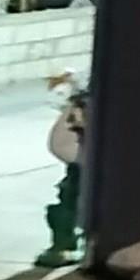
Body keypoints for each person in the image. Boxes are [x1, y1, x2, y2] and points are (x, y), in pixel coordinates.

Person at [40, 72, 88, 267]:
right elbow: (60, 145)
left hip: (86, 158)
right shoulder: (81, 105)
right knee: (69, 198)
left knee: (71, 199)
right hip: (81, 160)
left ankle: (66, 244)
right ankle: (64, 243)